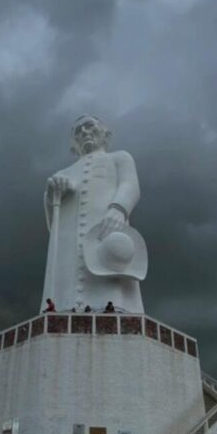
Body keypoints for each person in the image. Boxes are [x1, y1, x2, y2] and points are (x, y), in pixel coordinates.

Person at [40, 115, 146, 314]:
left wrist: (118, 208)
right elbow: (53, 225)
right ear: (73, 144)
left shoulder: (119, 158)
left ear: (106, 135)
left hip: (105, 232)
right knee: (67, 287)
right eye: (78, 131)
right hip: (69, 246)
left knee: (110, 281)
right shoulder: (64, 172)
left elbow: (130, 185)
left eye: (89, 126)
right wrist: (52, 194)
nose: (84, 132)